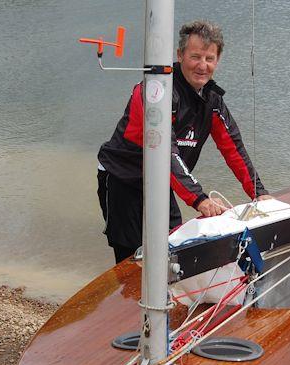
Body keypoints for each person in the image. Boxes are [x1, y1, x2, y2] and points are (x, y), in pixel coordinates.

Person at [96, 20, 270, 264]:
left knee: (174, 251)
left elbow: (233, 149)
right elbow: (164, 151)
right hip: (122, 180)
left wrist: (258, 192)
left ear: (217, 61)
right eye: (195, 56)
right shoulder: (156, 92)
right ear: (179, 55)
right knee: (132, 261)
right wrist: (199, 199)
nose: (202, 66)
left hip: (161, 182)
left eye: (210, 58)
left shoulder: (212, 100)